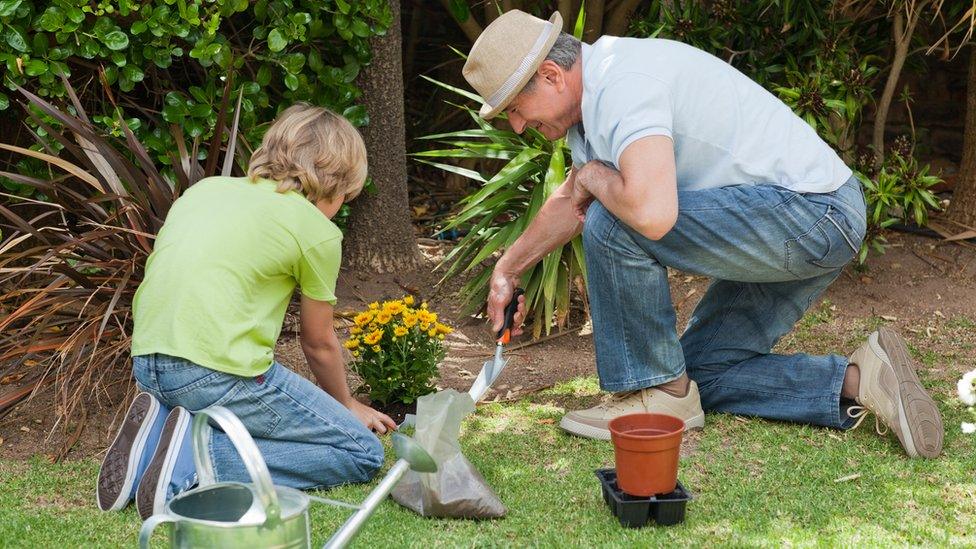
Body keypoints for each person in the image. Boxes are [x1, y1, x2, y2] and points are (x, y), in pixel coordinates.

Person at [462, 10, 943, 458]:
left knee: (615, 219)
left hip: (811, 215)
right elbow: (572, 201)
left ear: (551, 74)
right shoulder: (593, 106)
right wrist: (507, 270)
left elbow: (650, 215)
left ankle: (657, 395)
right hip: (795, 219)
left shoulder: (624, 84)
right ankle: (863, 379)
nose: (520, 125)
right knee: (703, 376)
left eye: (516, 108)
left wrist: (594, 180)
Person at [96, 104, 397, 519]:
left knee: (217, 408)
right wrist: (345, 404)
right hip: (217, 374)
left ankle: (154, 447)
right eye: (345, 198)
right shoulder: (316, 230)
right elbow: (319, 342)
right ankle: (195, 462)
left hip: (147, 364)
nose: (341, 207)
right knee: (359, 450)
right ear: (337, 183)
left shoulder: (205, 191)